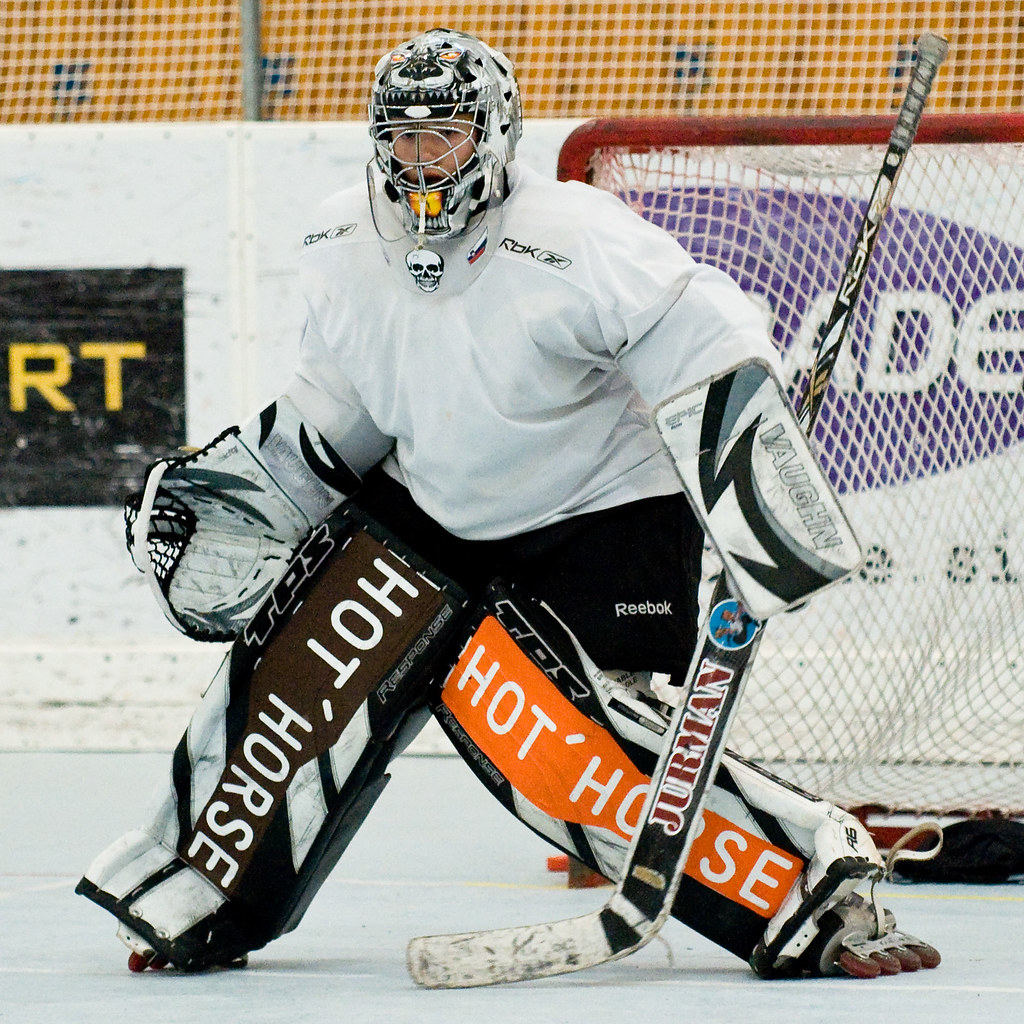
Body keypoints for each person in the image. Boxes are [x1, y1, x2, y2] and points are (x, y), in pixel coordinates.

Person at [76, 28, 940, 981]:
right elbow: (342, 410)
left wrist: (752, 484)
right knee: (305, 660)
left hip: (598, 520)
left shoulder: (573, 234)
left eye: (443, 134)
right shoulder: (339, 240)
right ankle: (204, 889)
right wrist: (252, 488)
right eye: (401, 138)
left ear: (494, 135)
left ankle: (810, 895)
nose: (420, 160)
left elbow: (699, 335)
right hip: (438, 511)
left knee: (553, 745)